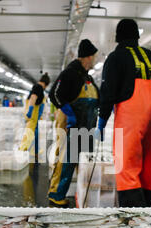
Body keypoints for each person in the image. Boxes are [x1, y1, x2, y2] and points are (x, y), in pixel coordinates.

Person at [95, 19, 151, 208]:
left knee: (126, 169)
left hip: (130, 120)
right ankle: (150, 214)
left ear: (117, 37)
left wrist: (101, 122)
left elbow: (107, 93)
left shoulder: (115, 58)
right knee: (148, 172)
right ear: (137, 36)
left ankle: (135, 222)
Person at [48, 39, 100, 208]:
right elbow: (54, 94)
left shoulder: (88, 77)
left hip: (86, 126)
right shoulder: (70, 73)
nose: (94, 60)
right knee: (66, 160)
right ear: (88, 56)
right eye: (93, 56)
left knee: (82, 161)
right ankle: (56, 194)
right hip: (72, 124)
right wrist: (69, 113)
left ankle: (82, 193)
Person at [18, 73, 51, 157]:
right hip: (32, 114)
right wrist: (30, 110)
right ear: (46, 84)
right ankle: (21, 151)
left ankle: (35, 150)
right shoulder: (38, 87)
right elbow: (33, 98)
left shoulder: (38, 88)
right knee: (29, 133)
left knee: (35, 133)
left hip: (34, 115)